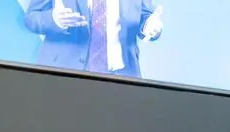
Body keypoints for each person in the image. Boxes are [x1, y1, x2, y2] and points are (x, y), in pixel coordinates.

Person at [24, 0, 164, 79]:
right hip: (64, 73)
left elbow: (146, 16)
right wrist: (55, 19)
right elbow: (32, 17)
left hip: (123, 77)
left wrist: (149, 27)